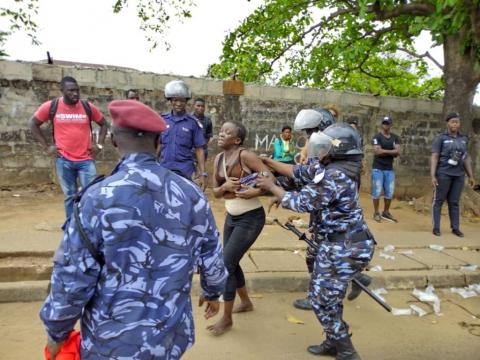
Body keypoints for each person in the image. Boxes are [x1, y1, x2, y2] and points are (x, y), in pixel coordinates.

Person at [39, 100, 227, 359]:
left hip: (111, 342)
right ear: (160, 141)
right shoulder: (191, 194)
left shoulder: (96, 198)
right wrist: (212, 291)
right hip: (169, 339)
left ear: (115, 142)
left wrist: (56, 333)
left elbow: (72, 277)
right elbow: (213, 256)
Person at [257, 123, 375, 359]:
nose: (318, 152)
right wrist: (269, 162)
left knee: (321, 300)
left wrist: (271, 187)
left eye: (323, 148)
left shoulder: (335, 176)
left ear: (337, 151)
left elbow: (302, 202)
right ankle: (334, 341)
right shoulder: (330, 168)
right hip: (340, 244)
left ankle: (346, 351)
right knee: (330, 298)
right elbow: (299, 173)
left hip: (344, 247)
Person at [208, 121, 271, 336]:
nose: (221, 134)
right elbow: (215, 192)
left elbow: (269, 178)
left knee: (227, 263)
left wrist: (255, 192)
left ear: (237, 140)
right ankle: (245, 302)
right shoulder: (217, 159)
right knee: (231, 261)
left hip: (251, 217)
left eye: (227, 132)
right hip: (231, 216)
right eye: (221, 130)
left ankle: (226, 318)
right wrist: (224, 187)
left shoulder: (246, 156)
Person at [29, 76, 108, 219]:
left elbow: (104, 124)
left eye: (77, 90)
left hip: (86, 160)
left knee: (90, 194)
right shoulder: (51, 106)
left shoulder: (87, 106)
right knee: (70, 195)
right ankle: (71, 226)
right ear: (62, 91)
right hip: (63, 160)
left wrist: (99, 144)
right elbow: (33, 124)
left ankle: (89, 224)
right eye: (71, 91)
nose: (75, 94)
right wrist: (46, 147)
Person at [431, 112, 475, 237]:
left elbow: (466, 158)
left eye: (457, 122)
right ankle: (436, 227)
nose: (455, 124)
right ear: (448, 123)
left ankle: (455, 228)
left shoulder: (464, 139)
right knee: (438, 200)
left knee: (454, 202)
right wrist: (433, 176)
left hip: (459, 175)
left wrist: (470, 176)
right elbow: (434, 157)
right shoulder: (441, 138)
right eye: (452, 121)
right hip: (443, 174)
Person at [158, 80, 207, 190]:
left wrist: (203, 174)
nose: (179, 104)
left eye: (182, 101)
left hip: (186, 172)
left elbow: (199, 149)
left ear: (186, 102)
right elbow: (159, 145)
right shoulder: (162, 120)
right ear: (170, 101)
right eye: (175, 100)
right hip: (164, 170)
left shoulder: (193, 123)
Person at [371, 115, 401, 223]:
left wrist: (384, 151)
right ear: (381, 124)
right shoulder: (377, 137)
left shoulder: (395, 137)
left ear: (391, 125)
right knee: (377, 191)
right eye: (384, 123)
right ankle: (376, 212)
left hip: (389, 169)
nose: (386, 125)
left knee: (389, 192)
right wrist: (391, 152)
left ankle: (386, 212)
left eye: (388, 123)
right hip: (378, 168)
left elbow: (398, 152)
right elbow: (377, 151)